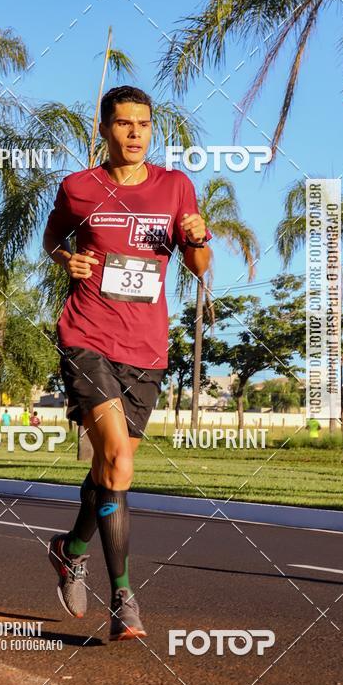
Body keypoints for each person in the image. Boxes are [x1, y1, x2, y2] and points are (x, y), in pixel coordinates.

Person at [43, 85, 211, 641]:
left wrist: (198, 236)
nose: (135, 132)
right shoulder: (80, 187)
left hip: (147, 348)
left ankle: (70, 551)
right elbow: (51, 237)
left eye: (143, 123)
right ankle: (123, 599)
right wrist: (69, 259)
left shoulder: (175, 186)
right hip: (87, 335)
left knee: (112, 472)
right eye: (123, 123)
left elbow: (199, 264)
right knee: (116, 458)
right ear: (105, 129)